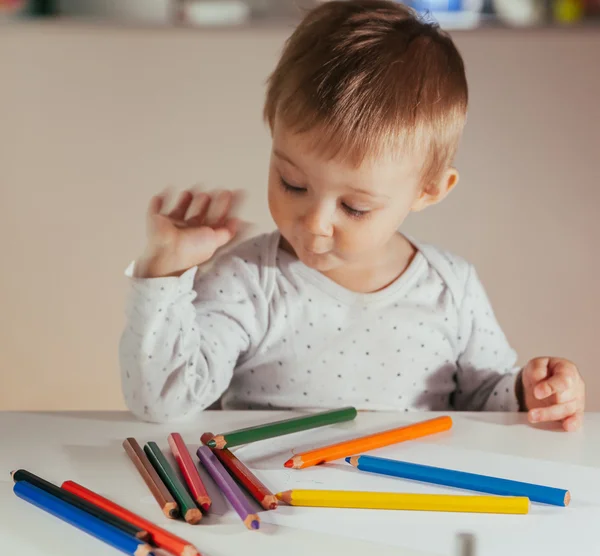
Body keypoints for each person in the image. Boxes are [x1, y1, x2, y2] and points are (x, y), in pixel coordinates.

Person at [119, 0, 585, 429]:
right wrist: (166, 270)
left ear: (429, 190)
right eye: (292, 184)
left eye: (354, 206)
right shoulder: (249, 281)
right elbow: (161, 401)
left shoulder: (452, 290)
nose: (315, 222)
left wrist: (529, 392)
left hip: (413, 507)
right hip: (270, 507)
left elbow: (486, 398)